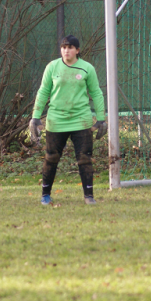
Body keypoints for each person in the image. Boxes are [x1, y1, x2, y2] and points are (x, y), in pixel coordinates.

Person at [29, 35, 107, 205]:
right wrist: (35, 117)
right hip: (56, 120)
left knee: (84, 158)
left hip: (81, 120)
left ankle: (89, 196)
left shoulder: (87, 68)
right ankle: (45, 195)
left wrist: (101, 119)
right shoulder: (52, 67)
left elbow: (96, 93)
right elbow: (43, 91)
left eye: (70, 47)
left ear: (77, 50)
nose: (66, 50)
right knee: (51, 157)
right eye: (64, 47)